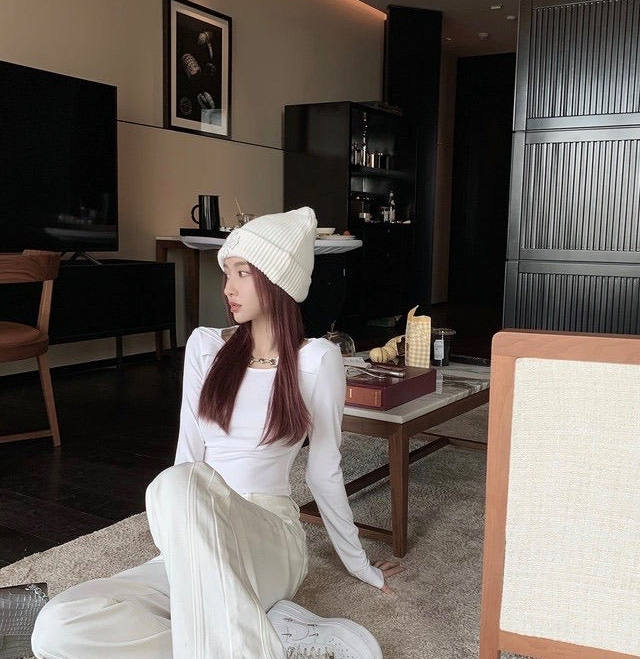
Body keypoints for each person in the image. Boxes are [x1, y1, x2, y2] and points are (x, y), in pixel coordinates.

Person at [31, 207, 403, 659]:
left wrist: (360, 565)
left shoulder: (317, 359)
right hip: (195, 535)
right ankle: (268, 634)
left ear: (277, 281)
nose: (228, 288)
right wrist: (181, 542)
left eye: (242, 273)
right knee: (55, 628)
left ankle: (233, 633)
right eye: (227, 273)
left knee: (177, 483)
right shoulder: (206, 347)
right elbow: (188, 452)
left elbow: (324, 472)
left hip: (269, 536)